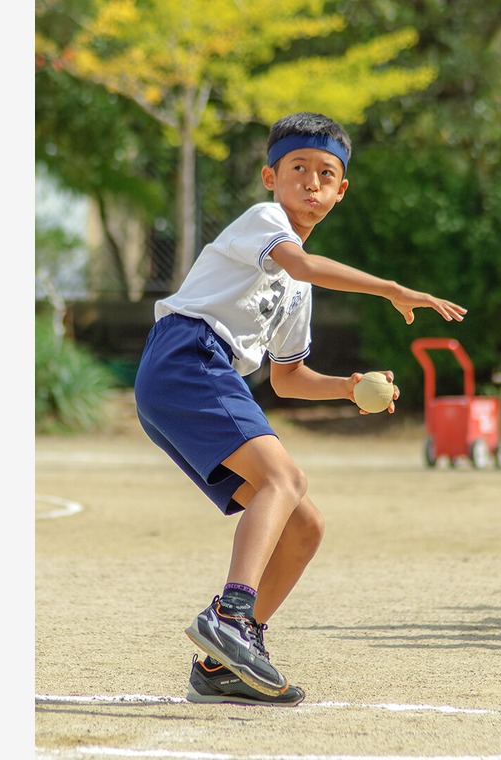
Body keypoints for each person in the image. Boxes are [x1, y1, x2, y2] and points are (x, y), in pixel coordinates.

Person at [133, 112, 466, 706]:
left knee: (304, 525)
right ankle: (230, 615)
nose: (312, 183)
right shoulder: (264, 224)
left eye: (326, 175)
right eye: (298, 169)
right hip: (187, 358)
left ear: (341, 191)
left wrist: (348, 387)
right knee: (286, 478)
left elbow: (287, 379)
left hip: (202, 377)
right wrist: (392, 288)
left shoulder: (298, 292)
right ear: (270, 176)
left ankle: (221, 664)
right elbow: (306, 263)